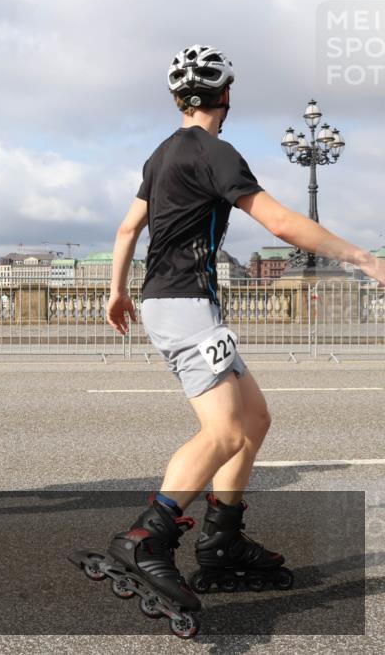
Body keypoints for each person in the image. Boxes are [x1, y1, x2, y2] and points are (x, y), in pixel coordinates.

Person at [104, 45, 385, 613]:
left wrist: (116, 290)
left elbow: (127, 228)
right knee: (225, 432)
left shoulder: (160, 155)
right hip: (185, 306)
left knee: (254, 418)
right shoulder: (216, 153)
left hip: (180, 303)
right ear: (226, 96)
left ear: (177, 99)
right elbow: (280, 222)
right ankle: (147, 538)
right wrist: (364, 258)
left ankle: (222, 540)